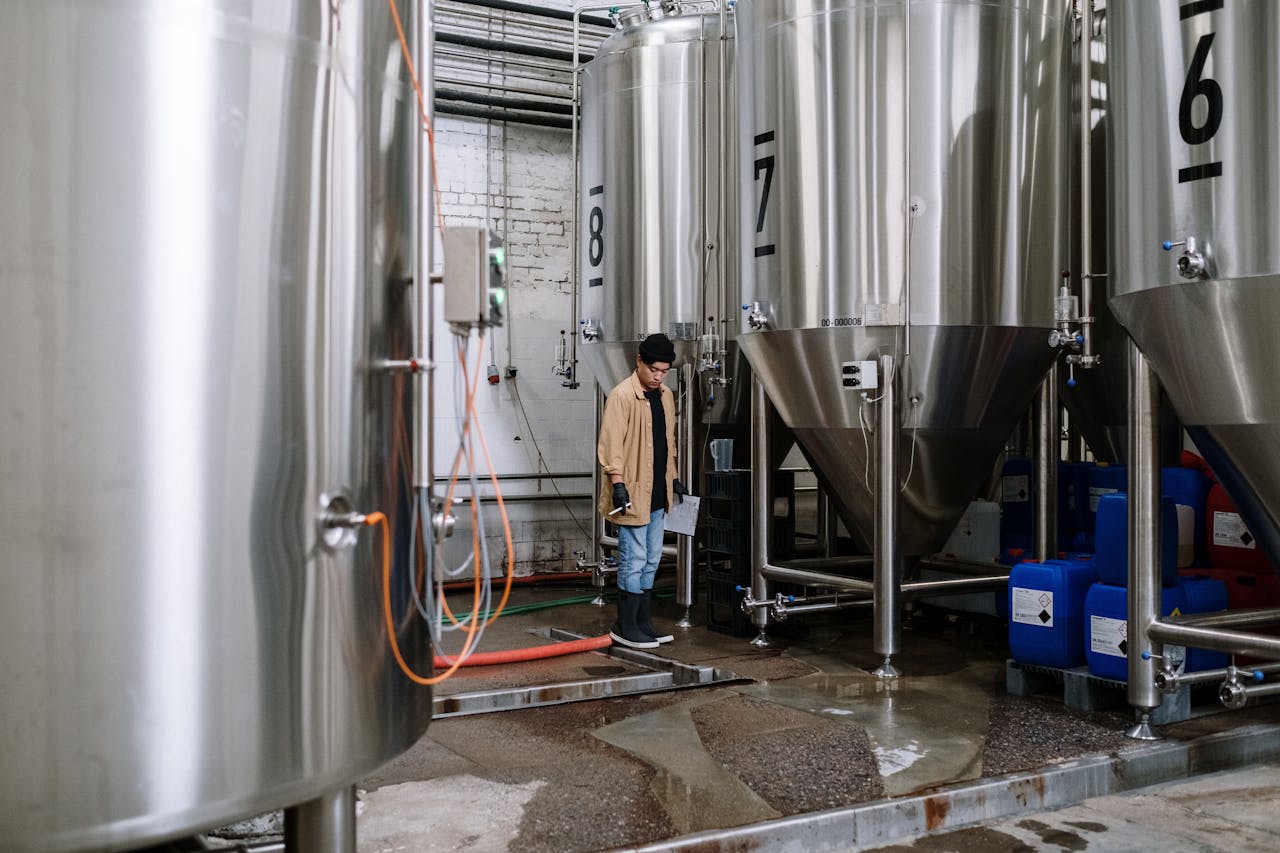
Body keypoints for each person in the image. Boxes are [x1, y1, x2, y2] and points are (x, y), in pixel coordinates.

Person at [597, 333, 689, 649]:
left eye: (664, 371)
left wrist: (673, 479)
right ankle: (624, 625)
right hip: (632, 491)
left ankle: (642, 622)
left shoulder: (665, 396)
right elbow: (611, 447)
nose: (658, 376)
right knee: (633, 558)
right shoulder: (621, 396)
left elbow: (668, 444)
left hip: (657, 491)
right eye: (654, 370)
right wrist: (618, 483)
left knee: (651, 558)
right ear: (639, 361)